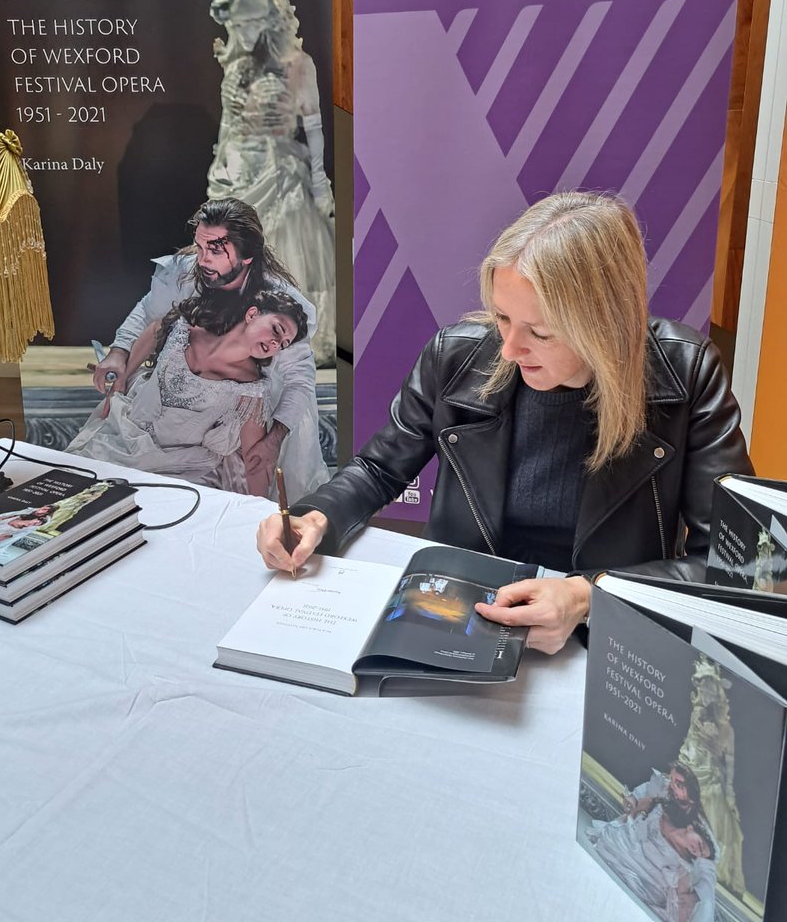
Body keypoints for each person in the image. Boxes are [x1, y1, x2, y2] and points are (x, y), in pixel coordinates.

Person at [257, 191, 753, 653]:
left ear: (605, 325)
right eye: (500, 318)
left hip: (609, 648)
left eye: (540, 332)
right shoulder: (456, 356)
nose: (510, 350)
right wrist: (316, 515)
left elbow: (736, 566)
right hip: (460, 618)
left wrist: (587, 598)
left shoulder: (684, 375)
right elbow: (378, 468)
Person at [92, 197, 327, 500]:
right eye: (200, 246)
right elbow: (150, 313)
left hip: (230, 427)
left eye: (215, 250)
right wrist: (119, 352)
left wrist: (273, 439)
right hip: (160, 413)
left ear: (247, 257)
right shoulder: (188, 272)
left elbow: (299, 381)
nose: (202, 259)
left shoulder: (280, 307)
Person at [205, 0, 336, 366]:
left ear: (268, 19)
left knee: (281, 254)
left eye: (250, 23)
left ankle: (284, 335)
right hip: (238, 173)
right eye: (237, 24)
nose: (243, 31)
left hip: (279, 174)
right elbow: (228, 123)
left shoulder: (296, 64)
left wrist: (319, 182)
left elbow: (313, 127)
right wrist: (218, 166)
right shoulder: (235, 66)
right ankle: (239, 338)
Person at [71, 290, 308, 496]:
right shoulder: (184, 329)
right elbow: (154, 329)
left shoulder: (252, 389)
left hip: (183, 467)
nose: (277, 343)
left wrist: (261, 513)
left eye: (284, 343)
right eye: (277, 329)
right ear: (252, 313)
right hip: (125, 435)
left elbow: (254, 461)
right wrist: (121, 380)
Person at [589, 798, 718, 922]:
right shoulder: (662, 813)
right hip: (624, 846)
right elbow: (633, 815)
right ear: (691, 828)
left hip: (644, 879)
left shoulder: (684, 865)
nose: (697, 851)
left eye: (701, 853)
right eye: (700, 844)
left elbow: (684, 899)